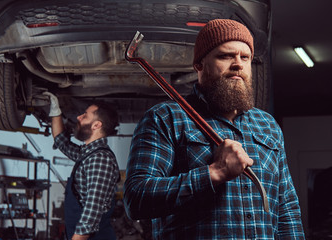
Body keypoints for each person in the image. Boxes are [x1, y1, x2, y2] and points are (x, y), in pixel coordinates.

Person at [123, 19, 305, 239]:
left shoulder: (268, 125)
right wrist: (215, 172)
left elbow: (287, 210)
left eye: (244, 57)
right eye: (226, 56)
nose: (238, 64)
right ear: (199, 65)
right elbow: (137, 199)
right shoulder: (166, 118)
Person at [44, 92, 120, 240]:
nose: (79, 117)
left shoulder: (100, 159)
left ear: (96, 125)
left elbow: (92, 211)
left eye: (85, 115)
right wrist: (55, 110)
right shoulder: (88, 154)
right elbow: (61, 141)